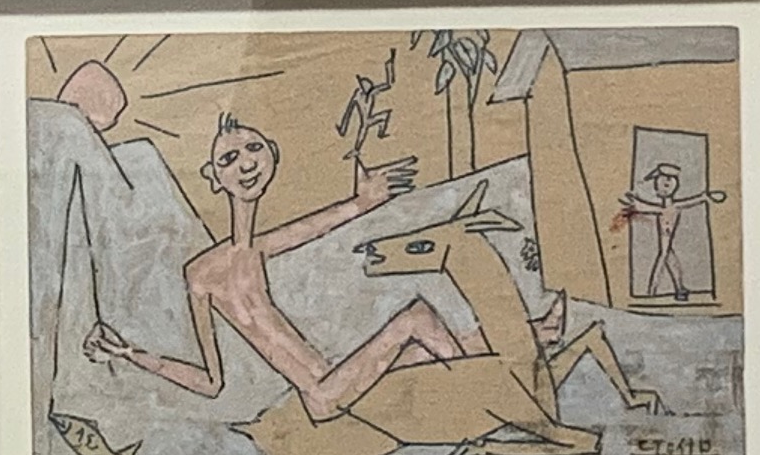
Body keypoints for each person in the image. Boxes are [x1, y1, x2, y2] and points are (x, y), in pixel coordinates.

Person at [85, 114, 481, 418]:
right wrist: (131, 353)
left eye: (254, 149)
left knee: (430, 350)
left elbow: (317, 225)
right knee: (417, 318)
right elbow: (210, 382)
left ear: (272, 153)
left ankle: (491, 381)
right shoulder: (202, 273)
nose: (246, 164)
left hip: (336, 381)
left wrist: (363, 202)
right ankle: (489, 388)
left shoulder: (257, 248)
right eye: (229, 158)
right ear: (214, 178)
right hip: (323, 394)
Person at [618, 160, 727, 302]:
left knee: (663, 256)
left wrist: (704, 197)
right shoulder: (667, 207)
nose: (660, 187)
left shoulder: (671, 207)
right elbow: (648, 207)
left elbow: (650, 208)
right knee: (669, 256)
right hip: (665, 232)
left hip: (667, 233)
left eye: (666, 183)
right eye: (660, 183)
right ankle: (679, 288)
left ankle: (651, 291)